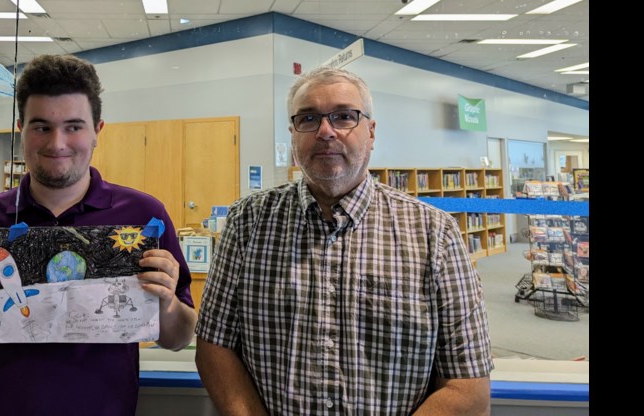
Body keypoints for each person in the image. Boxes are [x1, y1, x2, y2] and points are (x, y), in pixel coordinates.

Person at [195, 66, 493, 415]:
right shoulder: (247, 222)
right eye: (308, 118)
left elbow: (468, 385)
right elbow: (214, 346)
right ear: (292, 134)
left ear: (371, 131)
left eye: (343, 116)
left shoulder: (434, 233)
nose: (325, 131)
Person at [0, 54, 197, 416]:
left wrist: (166, 302)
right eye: (41, 127)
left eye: (73, 126)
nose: (57, 143)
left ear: (98, 130)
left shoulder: (144, 219)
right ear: (21, 128)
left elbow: (178, 338)